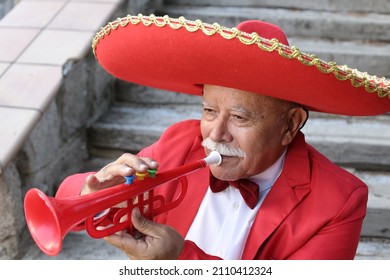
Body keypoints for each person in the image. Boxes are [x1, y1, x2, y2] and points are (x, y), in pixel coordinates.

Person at [55, 14, 390, 260]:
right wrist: (92, 195)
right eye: (209, 111)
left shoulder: (339, 201)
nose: (214, 135)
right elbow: (72, 204)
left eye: (240, 117)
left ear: (290, 125)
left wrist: (180, 262)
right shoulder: (179, 141)